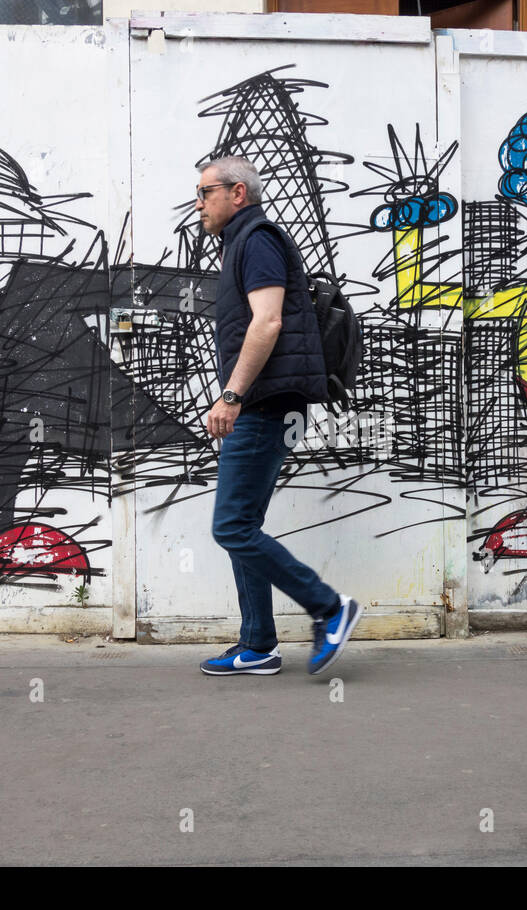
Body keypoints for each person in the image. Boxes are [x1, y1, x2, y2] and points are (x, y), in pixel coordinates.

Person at [194, 156, 361, 677]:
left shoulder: (258, 238)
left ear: (237, 192)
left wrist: (232, 395)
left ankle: (329, 608)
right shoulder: (242, 242)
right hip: (264, 402)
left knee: (232, 527)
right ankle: (258, 645)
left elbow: (267, 322)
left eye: (205, 192)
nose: (198, 202)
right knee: (242, 524)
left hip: (263, 404)